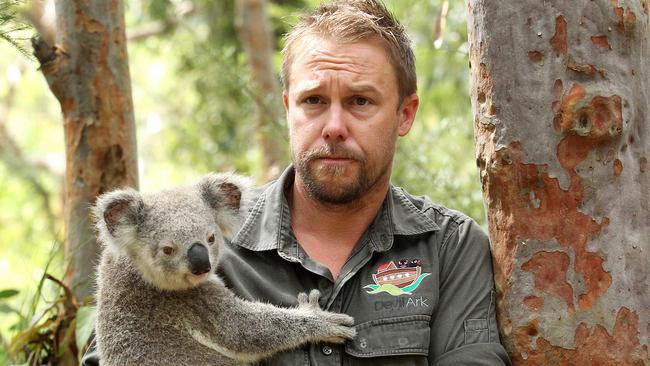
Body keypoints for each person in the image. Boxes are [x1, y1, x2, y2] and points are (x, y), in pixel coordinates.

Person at [83, 0, 510, 364]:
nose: (334, 127)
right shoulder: (183, 244)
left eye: (361, 101)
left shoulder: (450, 248)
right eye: (314, 101)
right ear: (288, 108)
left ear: (405, 113)